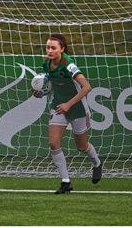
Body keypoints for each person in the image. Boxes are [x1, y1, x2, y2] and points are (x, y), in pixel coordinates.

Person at [34, 34, 102, 194]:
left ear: (62, 49)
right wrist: (42, 92)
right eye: (48, 47)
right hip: (58, 105)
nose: (49, 51)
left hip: (77, 108)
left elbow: (86, 87)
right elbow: (51, 84)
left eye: (53, 48)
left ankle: (97, 163)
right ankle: (66, 182)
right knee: (53, 143)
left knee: (82, 146)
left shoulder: (68, 64)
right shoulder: (46, 63)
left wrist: (68, 104)